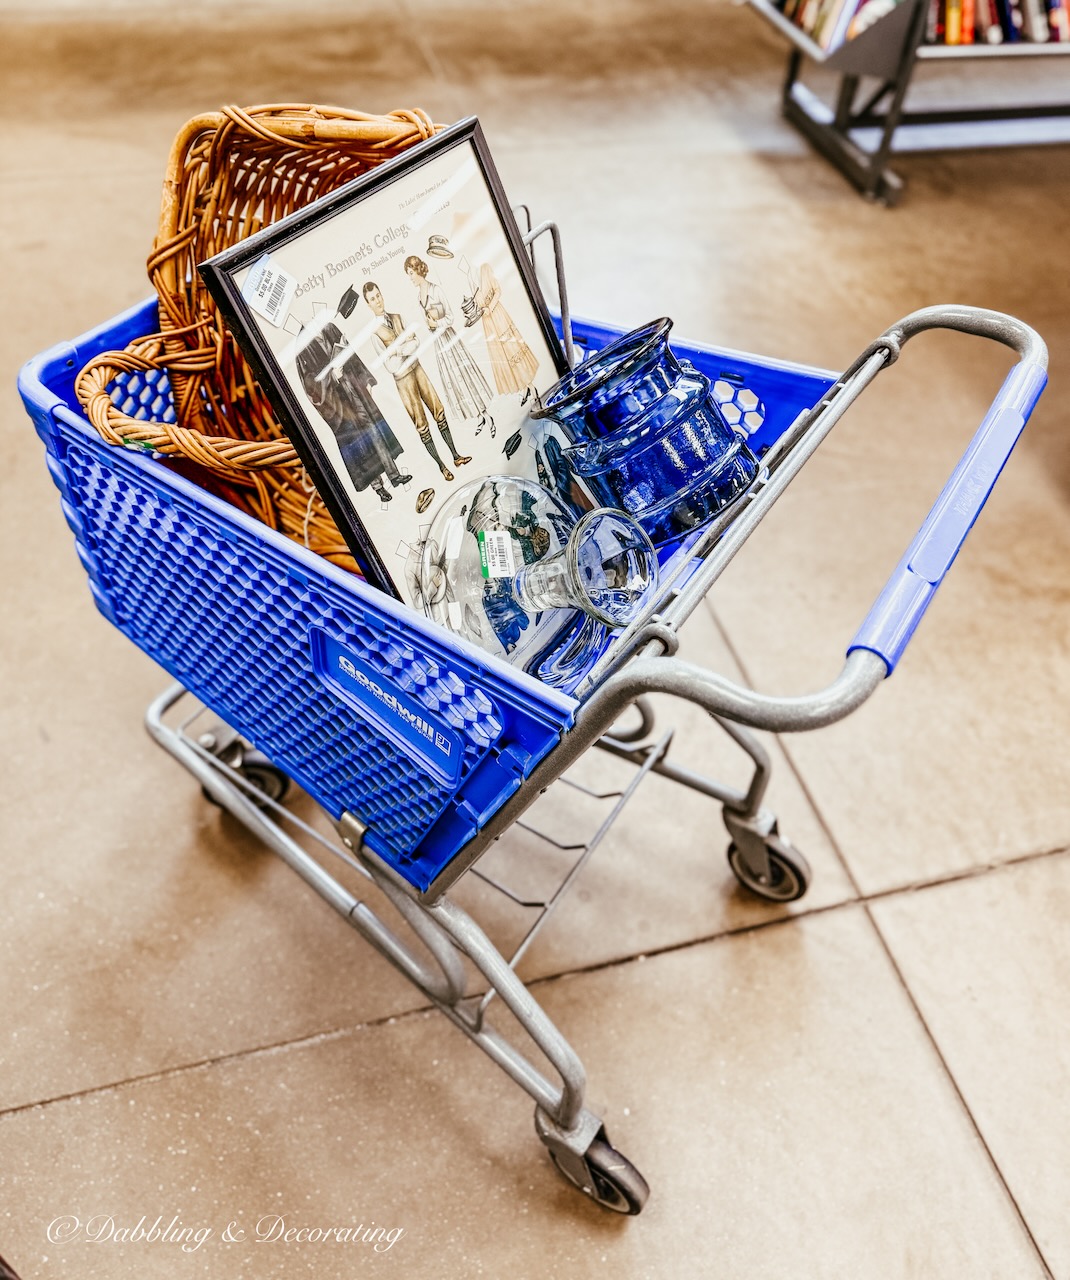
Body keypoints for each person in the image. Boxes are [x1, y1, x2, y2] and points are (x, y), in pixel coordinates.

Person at [293, 286, 410, 503]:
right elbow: (309, 383)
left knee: (374, 430)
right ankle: (378, 487)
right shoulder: (301, 347)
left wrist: (366, 380)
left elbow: (351, 353)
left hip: (354, 388)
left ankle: (394, 475)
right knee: (361, 443)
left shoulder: (329, 328)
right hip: (338, 403)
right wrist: (331, 376)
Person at [362, 280, 471, 483]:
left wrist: (399, 349)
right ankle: (442, 467)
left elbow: (416, 342)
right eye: (372, 299)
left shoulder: (397, 317)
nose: (377, 301)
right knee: (422, 424)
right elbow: (390, 366)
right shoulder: (374, 334)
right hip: (403, 381)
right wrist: (404, 347)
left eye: (378, 295)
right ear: (368, 304)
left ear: (382, 295)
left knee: (438, 409)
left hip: (418, 369)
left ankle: (456, 456)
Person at [403, 254, 495, 439]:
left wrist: (437, 324)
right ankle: (478, 416)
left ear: (419, 270)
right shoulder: (417, 297)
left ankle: (487, 416)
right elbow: (427, 321)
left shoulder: (435, 290)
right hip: (438, 342)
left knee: (464, 375)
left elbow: (451, 317)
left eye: (411, 273)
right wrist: (431, 326)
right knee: (455, 381)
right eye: (408, 274)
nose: (410, 277)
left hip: (449, 340)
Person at [473, 261, 539, 406]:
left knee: (512, 350)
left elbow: (498, 290)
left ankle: (532, 389)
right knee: (503, 356)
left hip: (498, 316)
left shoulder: (485, 268)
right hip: (489, 325)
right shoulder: (471, 279)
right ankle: (526, 388)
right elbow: (476, 304)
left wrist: (489, 307)